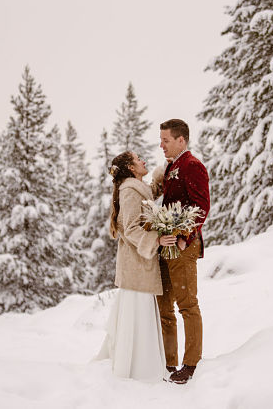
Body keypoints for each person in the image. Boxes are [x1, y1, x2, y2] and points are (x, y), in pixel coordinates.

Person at [96, 150, 177, 382]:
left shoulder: (136, 187)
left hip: (139, 265)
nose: (143, 160)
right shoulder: (129, 191)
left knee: (140, 314)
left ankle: (140, 363)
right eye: (138, 159)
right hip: (136, 265)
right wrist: (157, 240)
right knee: (138, 314)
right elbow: (131, 228)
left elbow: (152, 190)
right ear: (131, 168)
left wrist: (165, 170)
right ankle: (139, 368)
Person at [156, 119, 210, 384]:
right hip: (166, 247)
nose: (161, 145)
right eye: (161, 140)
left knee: (187, 305)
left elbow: (201, 206)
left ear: (181, 140)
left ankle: (191, 364)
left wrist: (183, 239)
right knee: (164, 307)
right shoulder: (171, 167)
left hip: (183, 247)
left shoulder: (192, 166)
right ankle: (169, 363)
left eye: (166, 140)